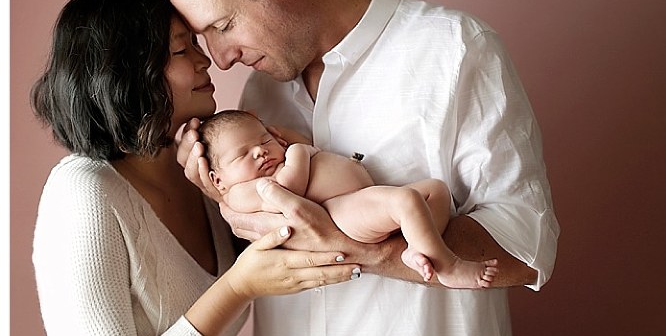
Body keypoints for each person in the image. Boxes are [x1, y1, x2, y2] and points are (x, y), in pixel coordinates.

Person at [162, 0, 560, 336]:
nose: (220, 60)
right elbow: (260, 253)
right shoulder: (260, 93)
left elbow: (526, 247)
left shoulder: (454, 50)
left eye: (223, 26)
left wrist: (356, 245)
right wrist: (218, 193)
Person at [29, 0, 361, 336]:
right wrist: (238, 286)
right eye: (183, 49)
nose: (208, 61)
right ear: (127, 70)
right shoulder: (83, 192)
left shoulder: (207, 180)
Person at [200, 109, 499, 289]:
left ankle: (416, 247)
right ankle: (447, 266)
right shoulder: (240, 192)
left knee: (436, 191)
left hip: (357, 197)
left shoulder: (279, 156)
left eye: (264, 140)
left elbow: (294, 147)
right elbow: (287, 189)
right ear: (217, 180)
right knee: (406, 201)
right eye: (242, 154)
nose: (260, 152)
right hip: (340, 212)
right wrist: (297, 152)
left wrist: (285, 141)